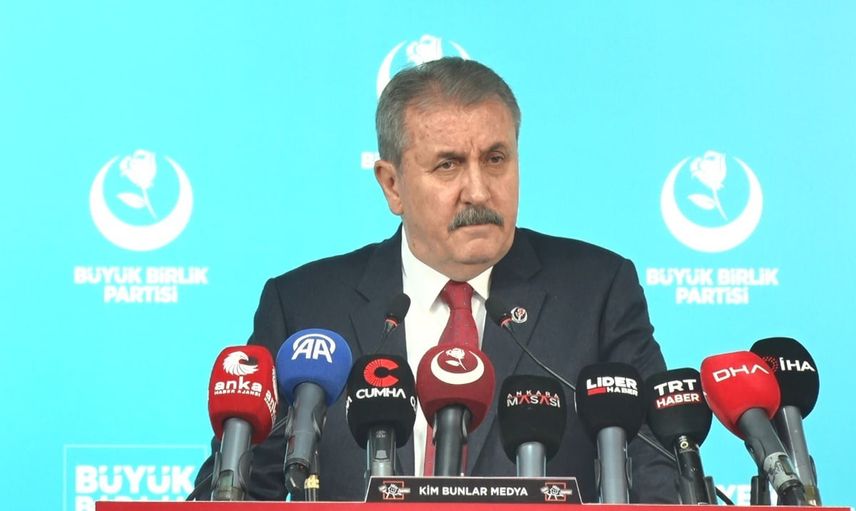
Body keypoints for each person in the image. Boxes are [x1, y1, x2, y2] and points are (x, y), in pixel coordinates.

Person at [195, 57, 678, 502]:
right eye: (448, 165)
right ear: (392, 185)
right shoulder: (305, 307)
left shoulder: (596, 291)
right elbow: (235, 490)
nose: (479, 190)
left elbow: (659, 474)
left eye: (495, 159)